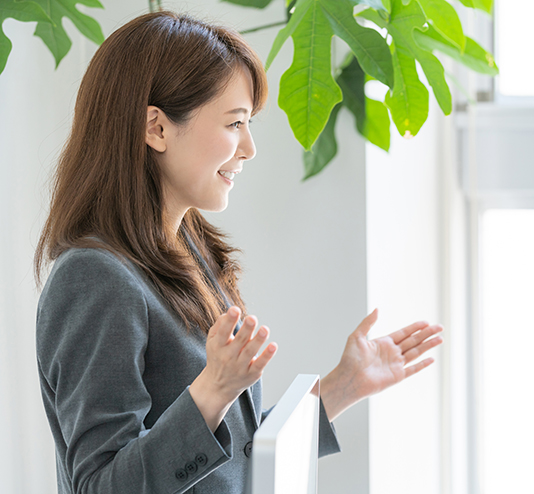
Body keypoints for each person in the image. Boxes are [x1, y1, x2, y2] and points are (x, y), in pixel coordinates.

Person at [33, 10, 444, 494]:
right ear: (157, 129)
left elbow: (235, 455)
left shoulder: (190, 250)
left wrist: (343, 386)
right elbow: (100, 486)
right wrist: (212, 391)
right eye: (235, 123)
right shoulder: (94, 278)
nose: (248, 147)